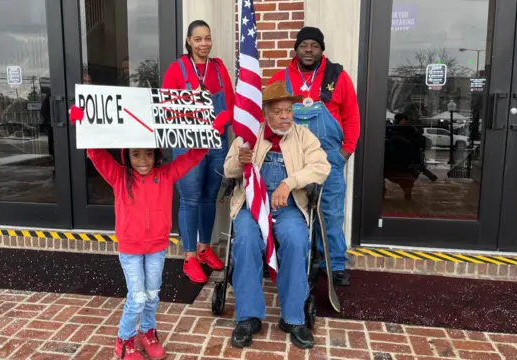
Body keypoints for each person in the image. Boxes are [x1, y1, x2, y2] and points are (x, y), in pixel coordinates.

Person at [77, 111, 227, 359]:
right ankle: (124, 341)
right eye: (136, 154)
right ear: (127, 156)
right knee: (136, 298)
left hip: (157, 248)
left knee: (152, 294)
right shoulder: (118, 176)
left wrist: (211, 134)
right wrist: (86, 123)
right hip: (131, 250)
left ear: (156, 154)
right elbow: (96, 154)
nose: (143, 160)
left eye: (148, 153)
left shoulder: (166, 175)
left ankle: (147, 332)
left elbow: (192, 157)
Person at [223, 81, 330, 349]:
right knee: (245, 240)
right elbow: (228, 170)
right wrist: (241, 161)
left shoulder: (304, 136)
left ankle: (293, 318)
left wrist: (289, 182)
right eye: (278, 112)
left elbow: (321, 166)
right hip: (252, 207)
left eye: (289, 111)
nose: (285, 117)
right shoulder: (249, 135)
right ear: (265, 113)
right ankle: (248, 317)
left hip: (289, 208)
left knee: (296, 240)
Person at [268, 26, 360, 286]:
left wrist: (345, 152)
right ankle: (295, 258)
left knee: (330, 212)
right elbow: (270, 116)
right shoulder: (281, 78)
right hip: (292, 157)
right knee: (294, 210)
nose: (309, 49)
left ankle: (335, 264)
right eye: (304, 45)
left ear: (322, 50)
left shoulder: (338, 77)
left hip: (329, 157)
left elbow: (352, 117)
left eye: (314, 45)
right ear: (295, 49)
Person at [162, 20, 235, 284]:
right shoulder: (177, 69)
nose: (203, 44)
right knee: (190, 199)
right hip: (188, 144)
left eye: (207, 38)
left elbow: (231, 104)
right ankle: (190, 256)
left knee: (209, 197)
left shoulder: (218, 69)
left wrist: (224, 117)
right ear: (189, 42)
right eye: (198, 39)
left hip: (216, 141)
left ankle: (205, 248)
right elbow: (166, 108)